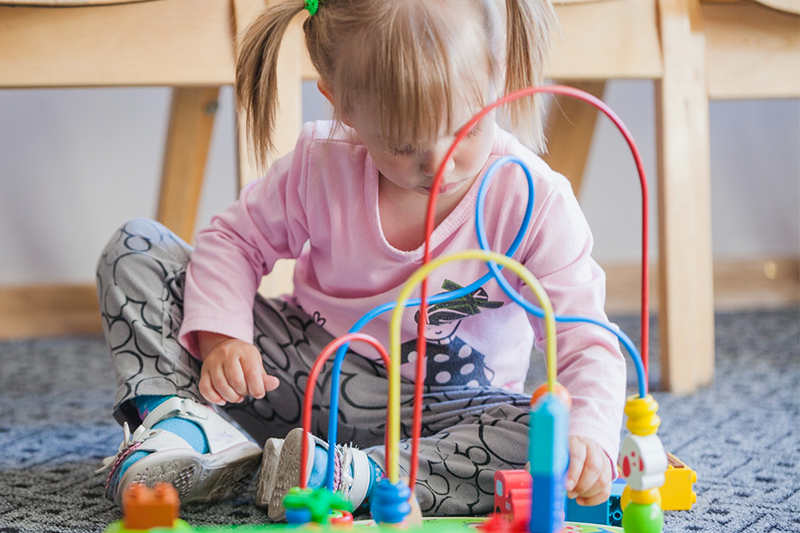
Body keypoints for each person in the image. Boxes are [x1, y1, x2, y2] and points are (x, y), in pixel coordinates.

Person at [96, 0, 626, 521]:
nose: (438, 160)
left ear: (497, 74)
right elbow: (233, 241)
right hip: (304, 374)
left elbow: (585, 339)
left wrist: (588, 438)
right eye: (402, 142)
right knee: (138, 250)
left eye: (461, 128)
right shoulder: (321, 162)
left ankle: (353, 476)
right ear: (343, 106)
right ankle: (184, 428)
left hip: (440, 415)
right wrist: (224, 339)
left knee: (544, 437)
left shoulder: (535, 201)